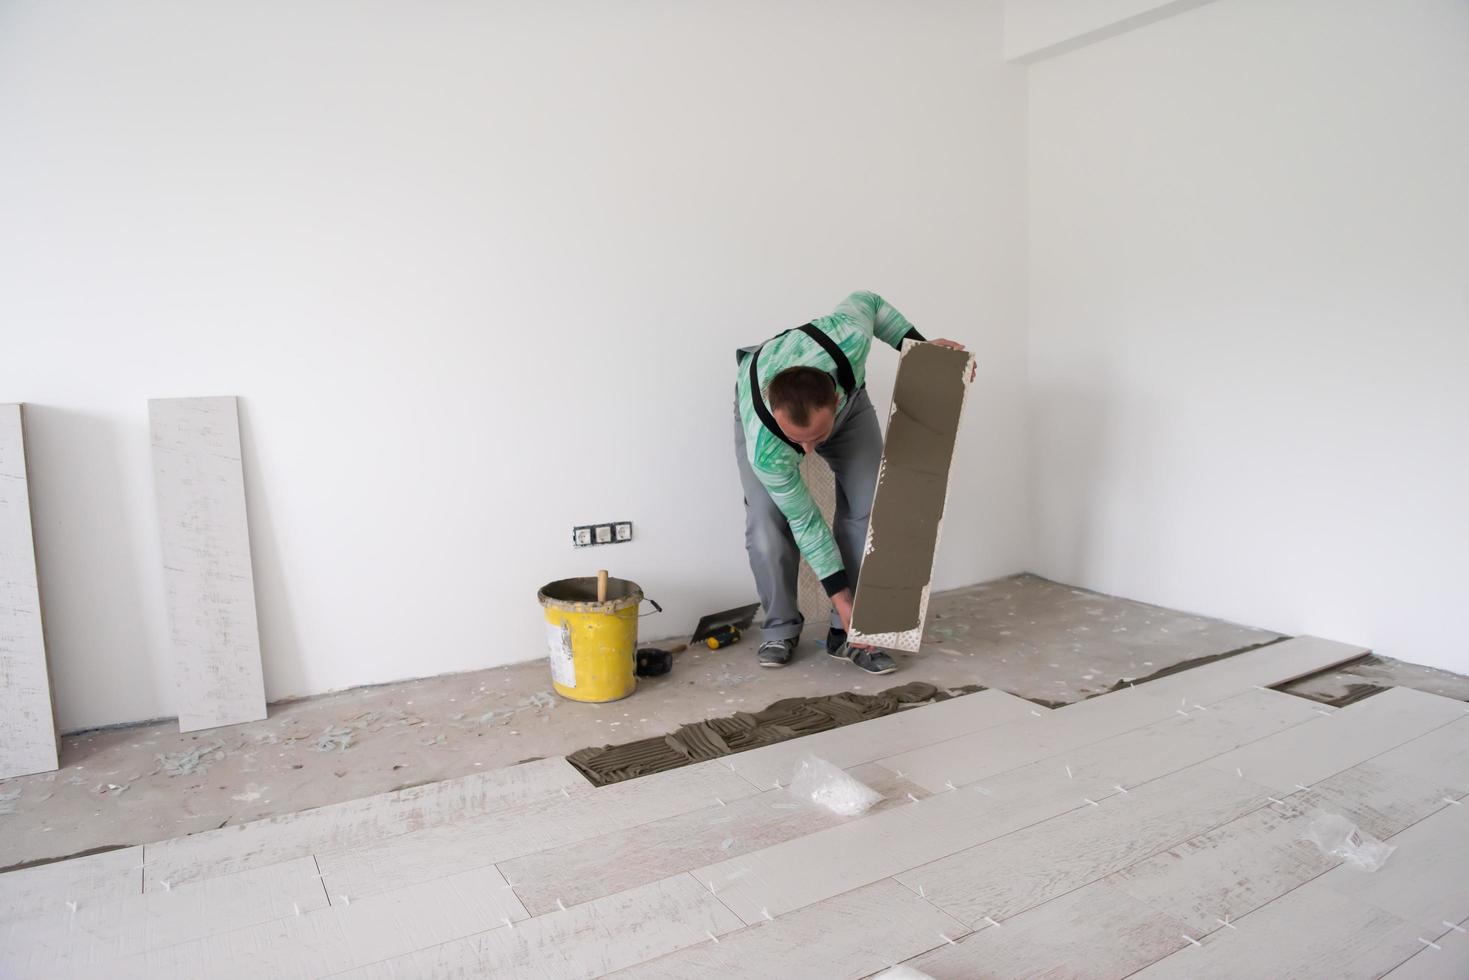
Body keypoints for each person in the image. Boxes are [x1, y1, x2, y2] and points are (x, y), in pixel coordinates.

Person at [733, 291, 968, 674]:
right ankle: (780, 628)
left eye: (817, 438)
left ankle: (849, 634)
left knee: (871, 509)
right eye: (798, 440)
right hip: (761, 416)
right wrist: (841, 596)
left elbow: (870, 302)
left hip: (848, 407)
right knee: (766, 524)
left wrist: (924, 350)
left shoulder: (848, 338)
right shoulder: (768, 447)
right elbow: (808, 524)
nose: (808, 453)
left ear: (835, 397)